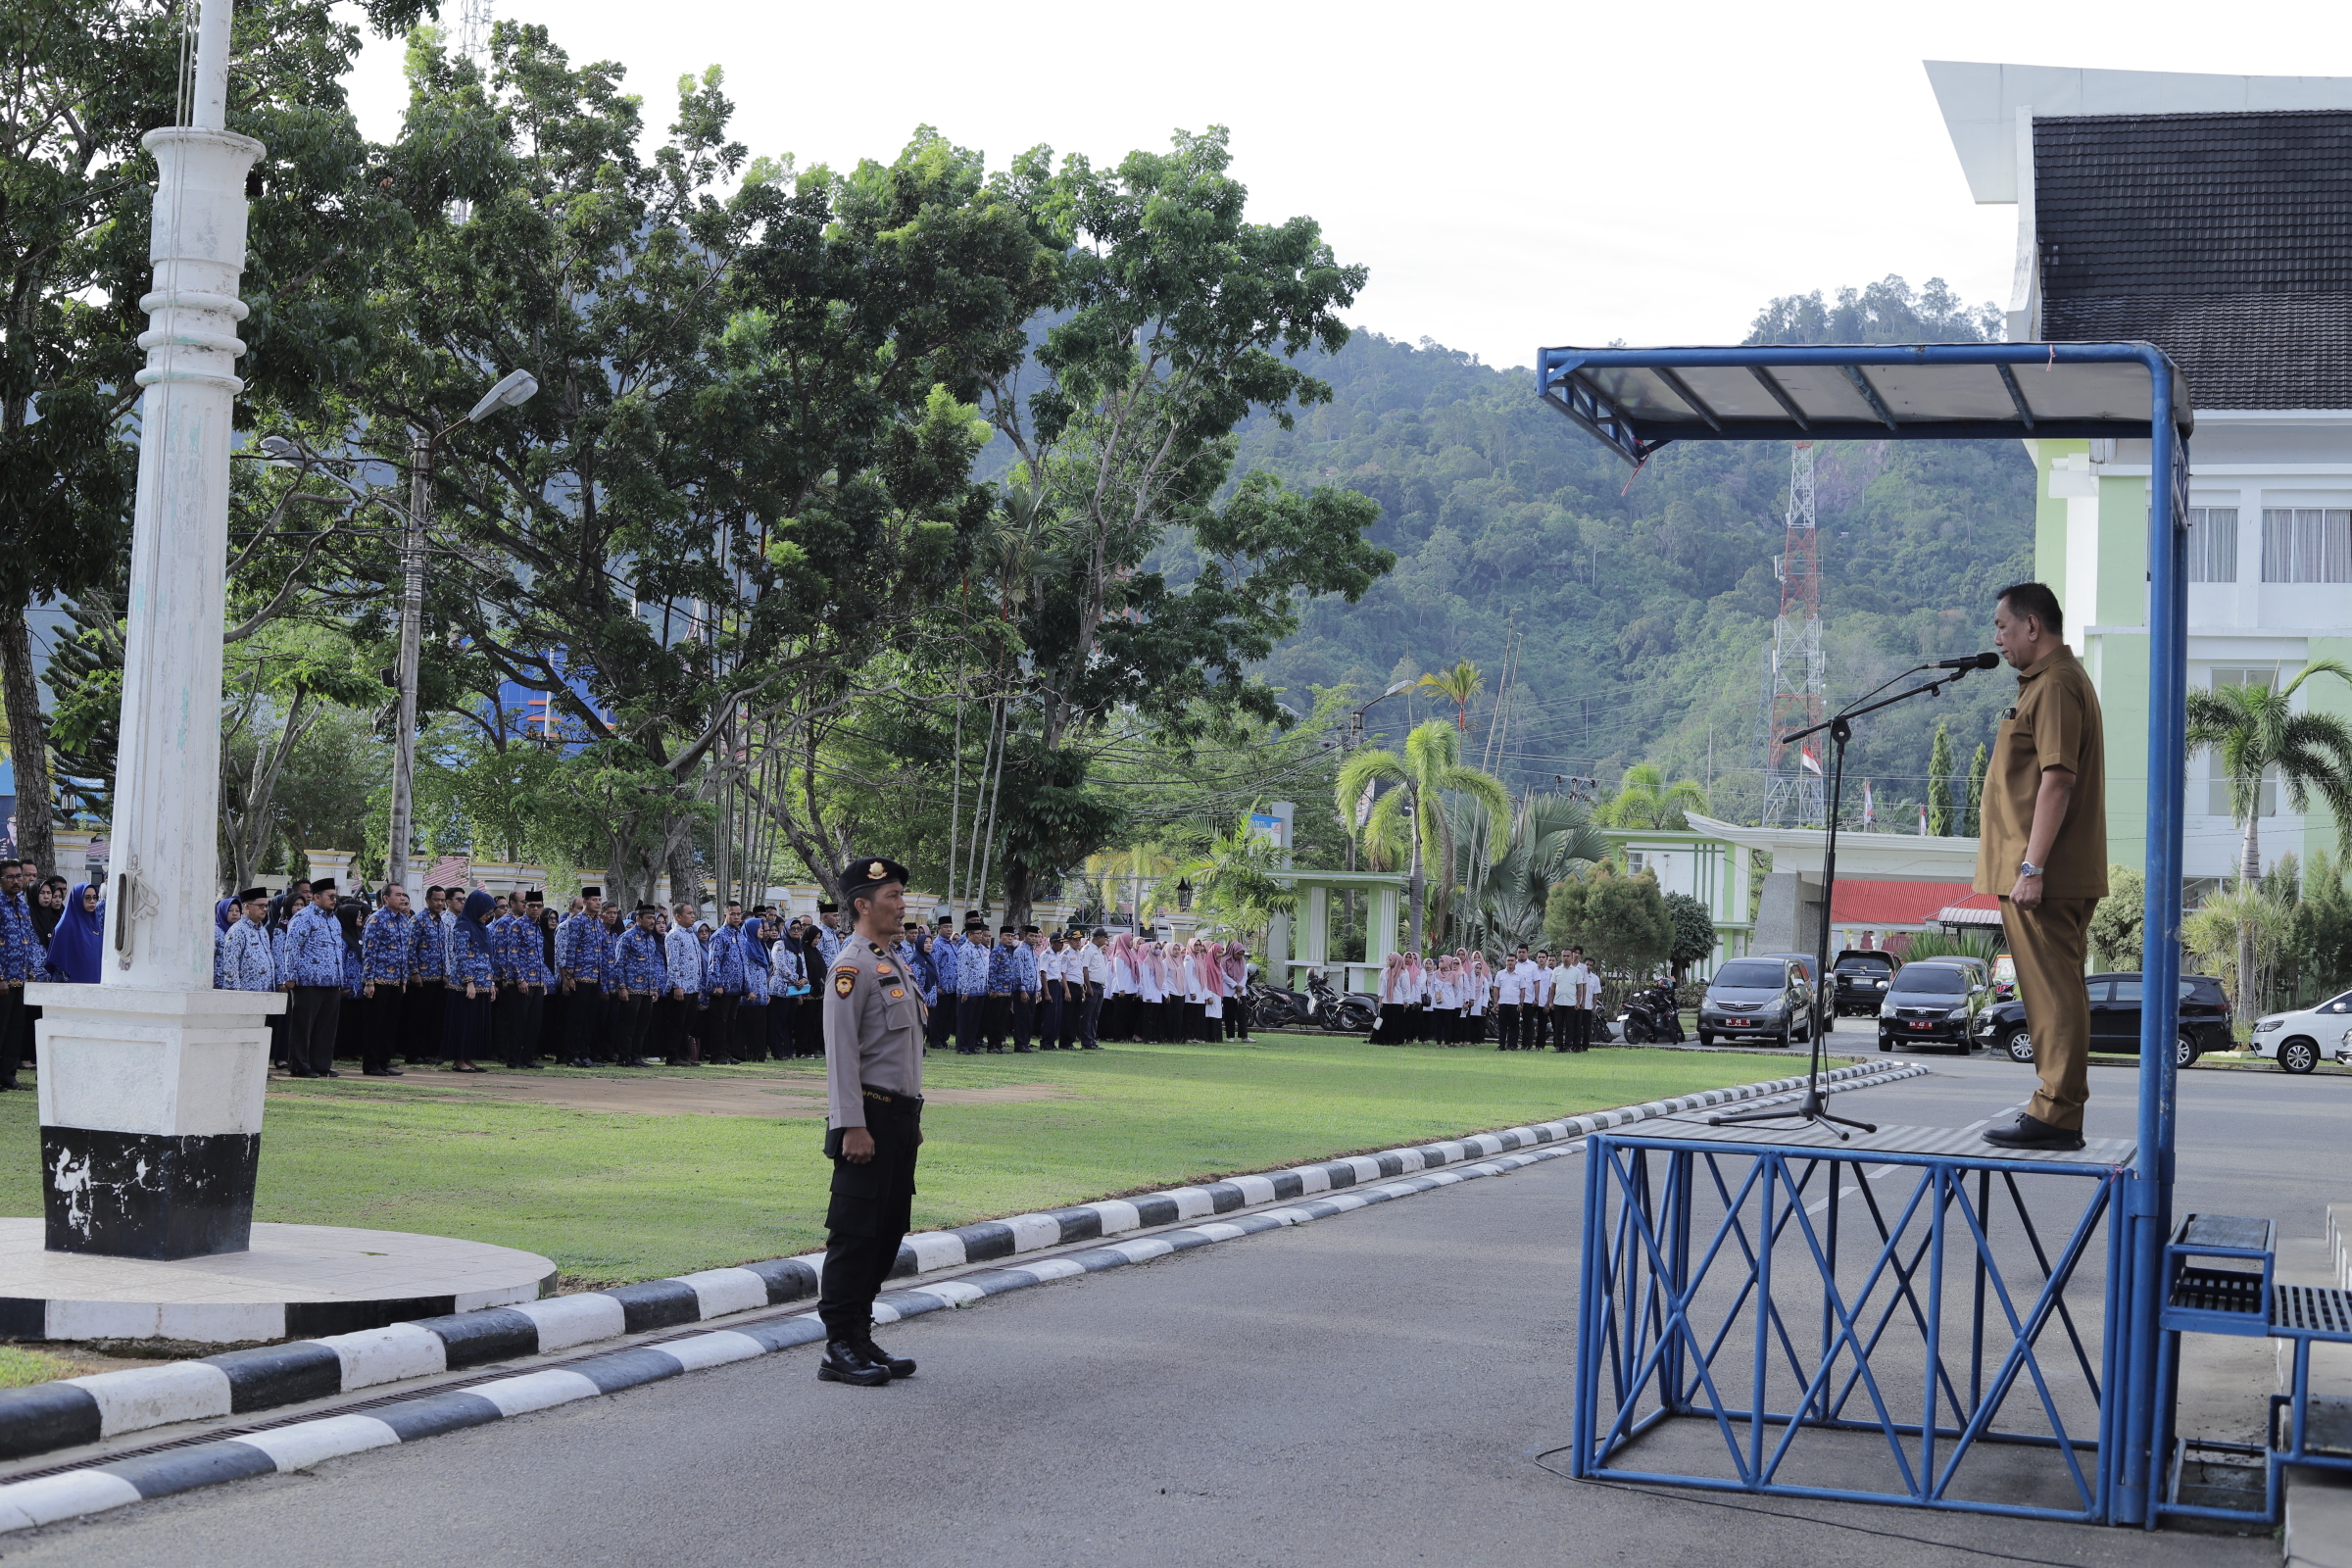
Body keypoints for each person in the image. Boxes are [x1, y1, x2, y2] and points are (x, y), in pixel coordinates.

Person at [1978, 582, 2107, 1152]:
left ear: (2034, 626)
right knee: (2054, 990)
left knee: (2054, 993)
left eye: (2004, 627)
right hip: (2041, 873)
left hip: (2043, 877)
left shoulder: (2054, 685)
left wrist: (2031, 867)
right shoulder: (2048, 683)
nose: (1998, 639)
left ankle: (2057, 1112)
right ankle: (2056, 1106)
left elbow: (2057, 780)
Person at [815, 857, 925, 1388]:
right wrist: (851, 1125)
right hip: (868, 1117)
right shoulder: (851, 967)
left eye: (902, 896)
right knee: (855, 1233)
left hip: (900, 1118)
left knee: (887, 1231)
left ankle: (859, 1333)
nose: (902, 905)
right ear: (863, 904)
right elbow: (842, 1055)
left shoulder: (892, 962)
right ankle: (838, 1344)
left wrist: (914, 1115)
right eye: (893, 897)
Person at [277, 878, 346, 1077]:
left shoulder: (333, 918)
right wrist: (289, 976)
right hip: (308, 981)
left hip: (331, 982)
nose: (334, 900)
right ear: (316, 897)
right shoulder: (304, 917)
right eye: (330, 896)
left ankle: (321, 1065)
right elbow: (292, 947)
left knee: (326, 1028)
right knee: (303, 1027)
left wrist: (340, 978)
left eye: (336, 896)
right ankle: (299, 1066)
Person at [359, 887, 414, 1076]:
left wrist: (404, 979)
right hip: (378, 980)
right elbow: (369, 952)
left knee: (390, 1025)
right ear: (386, 898)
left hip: (396, 981)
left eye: (402, 895)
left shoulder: (404, 922)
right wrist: (369, 981)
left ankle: (384, 1061)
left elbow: (405, 953)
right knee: (375, 1024)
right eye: (397, 895)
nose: (401, 898)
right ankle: (371, 1063)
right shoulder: (376, 920)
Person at [442, 889, 497, 1073]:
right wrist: (469, 981)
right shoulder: (463, 927)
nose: (488, 917)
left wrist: (491, 983)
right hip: (465, 985)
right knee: (463, 1023)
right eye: (486, 912)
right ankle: (459, 1059)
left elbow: (488, 956)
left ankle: (469, 1057)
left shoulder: (482, 929)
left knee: (475, 1023)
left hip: (483, 983)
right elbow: (462, 956)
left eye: (490, 914)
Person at [556, 886, 607, 1068]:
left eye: (599, 900)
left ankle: (585, 1054)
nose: (598, 903)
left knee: (589, 1018)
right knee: (576, 1018)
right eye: (594, 900)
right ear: (584, 902)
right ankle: (572, 1055)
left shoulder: (598, 923)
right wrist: (569, 976)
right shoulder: (577, 922)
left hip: (595, 977)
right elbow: (570, 949)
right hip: (580, 976)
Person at [612, 905, 666, 1068]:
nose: (652, 922)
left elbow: (652, 964)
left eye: (653, 918)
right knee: (628, 1025)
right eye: (649, 918)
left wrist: (654, 988)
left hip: (647, 989)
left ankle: (636, 1056)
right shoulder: (627, 937)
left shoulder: (650, 938)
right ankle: (624, 1057)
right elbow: (619, 963)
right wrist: (621, 986)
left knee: (642, 1025)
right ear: (638, 919)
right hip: (631, 988)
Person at [216, 887, 277, 1000]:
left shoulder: (262, 930)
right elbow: (231, 965)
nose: (264, 909)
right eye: (261, 906)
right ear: (247, 907)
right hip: (245, 995)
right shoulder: (238, 930)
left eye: (266, 906)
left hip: (264, 993)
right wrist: (234, 995)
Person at [663, 901, 706, 1065]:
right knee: (676, 1023)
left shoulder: (691, 934)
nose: (693, 915)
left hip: (693, 986)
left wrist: (698, 986)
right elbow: (673, 962)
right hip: (681, 986)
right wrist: (677, 985)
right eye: (688, 913)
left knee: (688, 1023)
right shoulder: (674, 935)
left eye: (693, 912)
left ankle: (684, 1055)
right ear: (678, 917)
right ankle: (673, 1056)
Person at [43, 882, 104, 984]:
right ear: (78, 899)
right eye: (87, 897)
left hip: (94, 982)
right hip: (72, 986)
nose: (92, 901)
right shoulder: (65, 926)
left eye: (95, 897)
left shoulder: (95, 924)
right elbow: (59, 962)